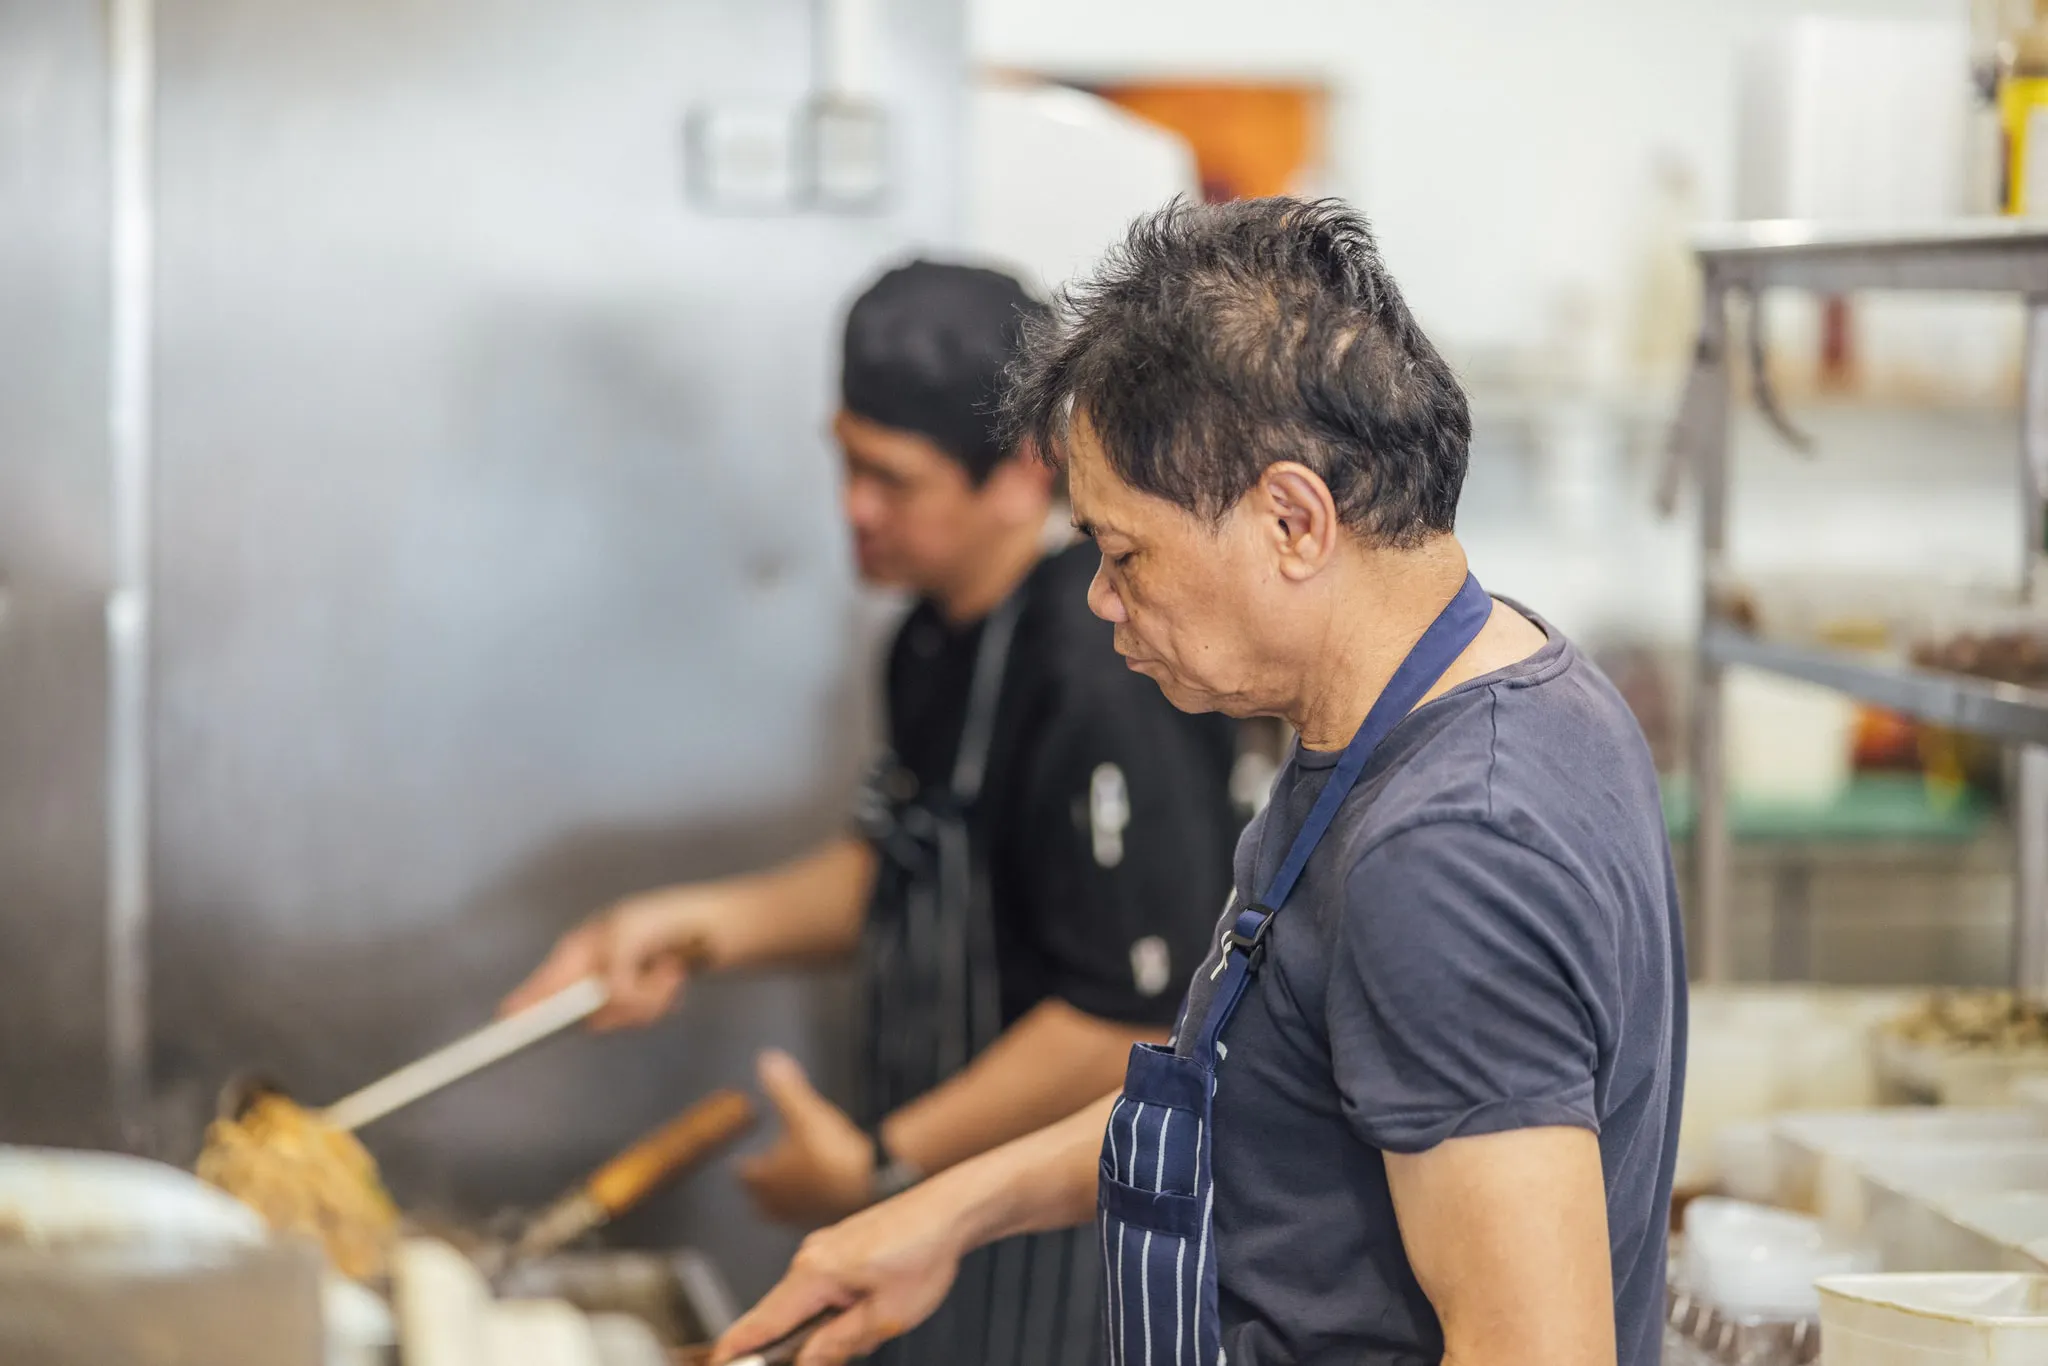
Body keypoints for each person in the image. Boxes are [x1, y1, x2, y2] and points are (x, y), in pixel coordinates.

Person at [710, 199, 1687, 1366]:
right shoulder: (1466, 693)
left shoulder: (1446, 851)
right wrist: (946, 1211)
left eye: (1124, 554)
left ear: (1290, 518)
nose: (1099, 599)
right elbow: (1252, 1096)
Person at [503, 261, 1242, 1366]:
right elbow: (904, 868)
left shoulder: (1096, 666)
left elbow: (1124, 1021)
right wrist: (686, 925)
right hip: (930, 1237)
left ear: (1019, 474)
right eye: (844, 462)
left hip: (1058, 1255)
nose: (853, 508)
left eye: (891, 478)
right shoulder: (932, 636)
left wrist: (881, 1161)